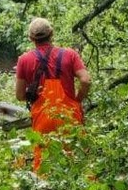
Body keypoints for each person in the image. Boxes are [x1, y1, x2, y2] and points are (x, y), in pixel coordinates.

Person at [14, 17, 91, 170]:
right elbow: (86, 81)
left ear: (30, 38)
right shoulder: (70, 54)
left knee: (45, 166)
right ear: (52, 34)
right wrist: (77, 100)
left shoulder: (24, 60)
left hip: (43, 120)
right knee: (77, 163)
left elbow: (19, 96)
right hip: (69, 117)